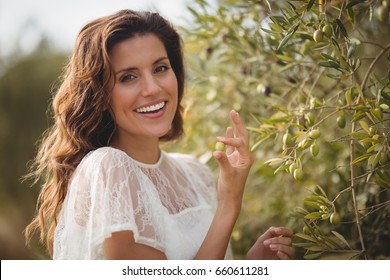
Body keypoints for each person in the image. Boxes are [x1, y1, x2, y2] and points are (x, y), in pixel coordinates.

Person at [25, 9, 295, 260]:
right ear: (102, 96)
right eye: (128, 77)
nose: (152, 88)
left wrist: (251, 265)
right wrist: (229, 204)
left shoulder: (196, 173)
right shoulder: (108, 167)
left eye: (160, 68)